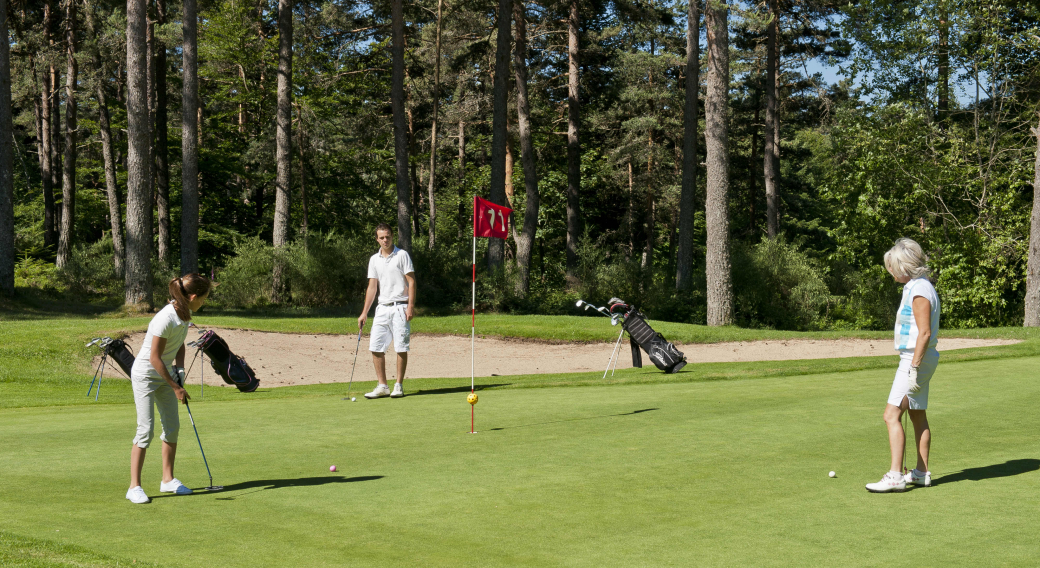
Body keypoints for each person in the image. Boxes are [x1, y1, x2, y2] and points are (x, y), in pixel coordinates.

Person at [126, 273, 213, 504]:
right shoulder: (165, 318)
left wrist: (181, 372)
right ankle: (134, 487)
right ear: (193, 296)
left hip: (165, 374)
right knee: (146, 429)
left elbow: (179, 343)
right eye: (203, 298)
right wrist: (175, 387)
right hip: (146, 374)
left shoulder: (185, 313)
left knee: (172, 427)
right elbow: (154, 358)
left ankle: (167, 480)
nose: (203, 302)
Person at [866, 238, 939, 493]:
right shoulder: (918, 286)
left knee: (891, 415)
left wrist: (914, 368)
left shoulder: (919, 290)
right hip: (919, 357)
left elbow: (925, 333)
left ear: (904, 266)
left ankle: (896, 475)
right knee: (917, 414)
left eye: (893, 266)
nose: (891, 271)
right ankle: (920, 473)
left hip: (915, 358)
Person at [358, 223, 416, 399]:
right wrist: (364, 312)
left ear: (392, 237)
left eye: (388, 236)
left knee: (400, 347)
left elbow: (411, 282)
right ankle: (382, 386)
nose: (385, 240)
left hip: (400, 306)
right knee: (375, 346)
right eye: (382, 237)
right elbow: (372, 287)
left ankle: (398, 385)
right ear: (377, 239)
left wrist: (411, 306)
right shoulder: (374, 259)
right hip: (382, 308)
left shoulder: (402, 255)